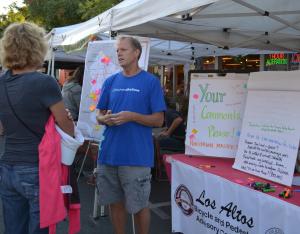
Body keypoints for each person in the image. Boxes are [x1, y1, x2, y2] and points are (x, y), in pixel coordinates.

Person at [0, 22, 74, 234]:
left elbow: (1, 129)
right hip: (37, 168)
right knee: (39, 228)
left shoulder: (1, 83)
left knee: (13, 229)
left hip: (8, 166)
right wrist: (64, 119)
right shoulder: (45, 82)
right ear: (37, 47)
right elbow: (67, 128)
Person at [95, 36, 166, 234]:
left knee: (138, 206)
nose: (119, 53)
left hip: (136, 157)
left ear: (136, 53)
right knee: (114, 203)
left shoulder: (151, 82)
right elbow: (99, 114)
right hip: (109, 154)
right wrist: (104, 119)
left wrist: (132, 116)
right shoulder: (110, 81)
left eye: (123, 50)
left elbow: (159, 120)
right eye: (118, 50)